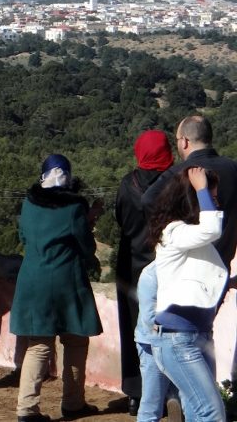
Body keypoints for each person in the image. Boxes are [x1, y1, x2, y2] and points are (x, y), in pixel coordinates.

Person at [10, 154, 102, 422]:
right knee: (74, 339)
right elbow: (86, 246)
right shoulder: (74, 207)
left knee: (38, 344)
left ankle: (27, 409)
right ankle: (73, 403)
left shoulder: (28, 203)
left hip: (32, 279)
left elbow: (24, 236)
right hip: (66, 279)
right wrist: (89, 220)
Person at [147, 166, 227, 421]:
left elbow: (196, 273)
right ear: (192, 200)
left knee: (196, 411)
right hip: (179, 339)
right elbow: (212, 229)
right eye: (212, 198)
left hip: (196, 334)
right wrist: (201, 188)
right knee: (211, 412)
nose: (215, 204)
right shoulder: (173, 232)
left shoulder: (184, 235)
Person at [114, 129, 173, 414]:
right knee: (171, 330)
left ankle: (136, 394)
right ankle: (169, 394)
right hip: (169, 266)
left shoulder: (128, 184)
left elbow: (120, 220)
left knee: (133, 330)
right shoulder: (177, 182)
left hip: (133, 265)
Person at [142, 115, 237, 270]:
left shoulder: (177, 173)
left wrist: (172, 230)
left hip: (190, 265)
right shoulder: (233, 168)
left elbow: (148, 200)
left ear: (184, 141)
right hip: (225, 261)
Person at [134, 261, 182, 422]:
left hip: (178, 342)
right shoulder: (152, 273)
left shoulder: (187, 268)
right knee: (152, 404)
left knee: (156, 402)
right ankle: (173, 399)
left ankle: (173, 400)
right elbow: (150, 319)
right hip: (152, 344)